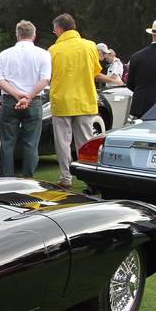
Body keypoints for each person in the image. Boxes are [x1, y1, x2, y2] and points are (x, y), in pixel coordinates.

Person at [0, 20, 52, 178]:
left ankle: (6, 178)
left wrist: (16, 95)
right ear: (34, 36)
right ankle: (29, 178)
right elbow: (45, 80)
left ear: (17, 36)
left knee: (7, 143)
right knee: (31, 144)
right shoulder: (44, 54)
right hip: (34, 101)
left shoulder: (5, 54)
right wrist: (28, 96)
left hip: (10, 101)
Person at [49, 13, 101, 189]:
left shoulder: (53, 50)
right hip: (85, 98)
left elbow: (49, 75)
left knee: (63, 142)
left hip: (62, 100)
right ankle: (89, 177)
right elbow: (95, 70)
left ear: (59, 29)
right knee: (85, 141)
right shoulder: (90, 46)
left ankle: (66, 177)